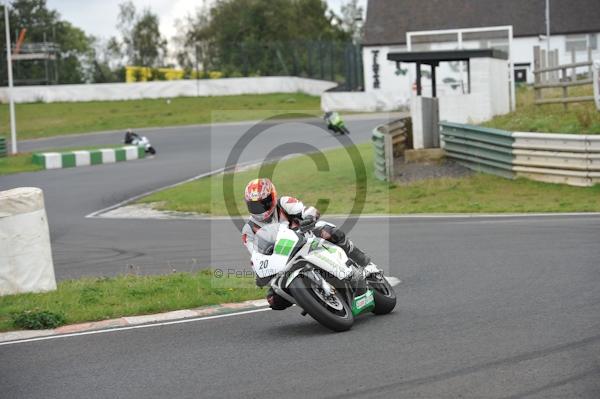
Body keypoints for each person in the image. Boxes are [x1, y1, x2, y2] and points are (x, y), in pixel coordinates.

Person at [242, 178, 377, 310]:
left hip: (307, 238)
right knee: (274, 300)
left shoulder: (283, 203)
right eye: (254, 206)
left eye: (264, 203)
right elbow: (256, 254)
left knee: (329, 231)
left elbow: (306, 210)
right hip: (282, 259)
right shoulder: (248, 230)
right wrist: (261, 274)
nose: (260, 209)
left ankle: (365, 263)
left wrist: (309, 217)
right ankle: (316, 301)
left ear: (272, 197)